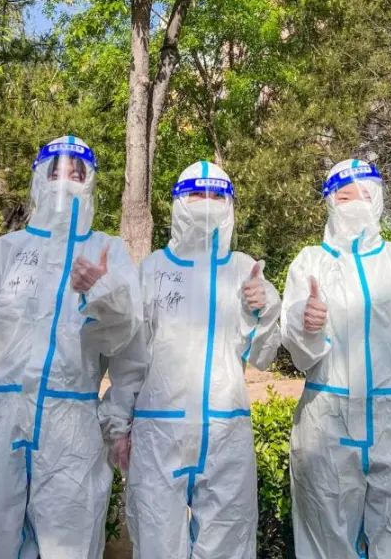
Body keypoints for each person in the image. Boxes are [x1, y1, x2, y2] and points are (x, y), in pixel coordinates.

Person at [0, 136, 141, 559]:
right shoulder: (7, 251)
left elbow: (127, 347)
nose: (65, 181)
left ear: (90, 183)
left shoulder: (107, 250)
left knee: (68, 546)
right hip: (0, 422)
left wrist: (103, 293)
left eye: (77, 173)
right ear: (39, 178)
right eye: (56, 171)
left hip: (71, 428)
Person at [102, 160, 281, 558]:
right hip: (158, 431)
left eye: (216, 196)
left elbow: (263, 356)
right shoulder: (153, 269)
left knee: (228, 543)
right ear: (178, 203)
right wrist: (119, 425)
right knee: (156, 543)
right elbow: (131, 359)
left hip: (225, 432)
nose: (206, 203)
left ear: (229, 205)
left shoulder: (244, 270)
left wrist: (261, 311)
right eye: (197, 195)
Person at [281, 159, 391, 559]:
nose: (355, 204)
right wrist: (307, 324)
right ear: (329, 203)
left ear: (378, 200)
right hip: (327, 420)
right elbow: (300, 351)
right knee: (327, 542)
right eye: (345, 197)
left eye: (364, 195)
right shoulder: (310, 262)